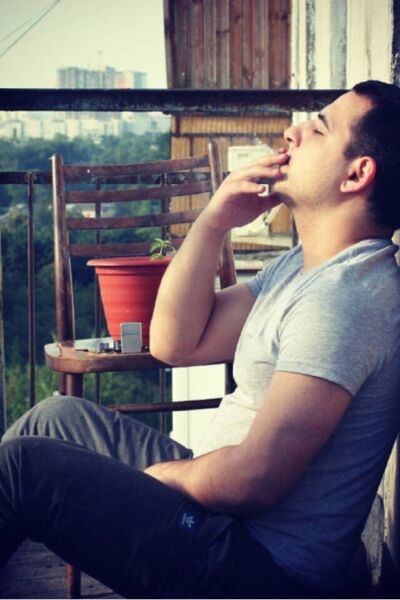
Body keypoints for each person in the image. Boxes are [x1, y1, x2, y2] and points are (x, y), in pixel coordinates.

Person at [1, 79, 400, 599]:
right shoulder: (300, 269)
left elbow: (255, 480)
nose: (294, 132)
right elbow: (174, 343)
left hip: (255, 565)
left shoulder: (347, 297)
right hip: (217, 516)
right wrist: (214, 220)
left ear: (357, 174)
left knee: (23, 469)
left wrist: (165, 477)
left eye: (318, 129)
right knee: (55, 417)